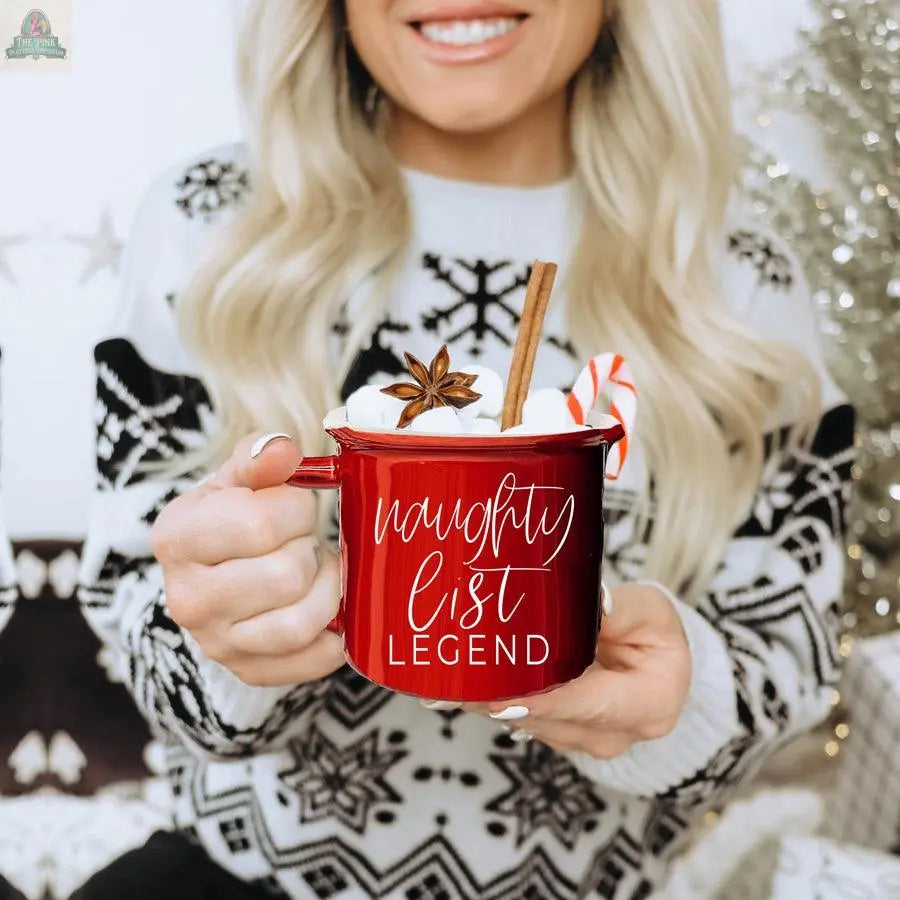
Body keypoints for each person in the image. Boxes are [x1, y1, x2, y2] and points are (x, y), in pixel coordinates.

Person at [75, 1, 855, 897]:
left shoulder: (738, 281)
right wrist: (229, 639)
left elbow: (789, 657)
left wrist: (677, 706)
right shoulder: (209, 226)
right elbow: (135, 605)